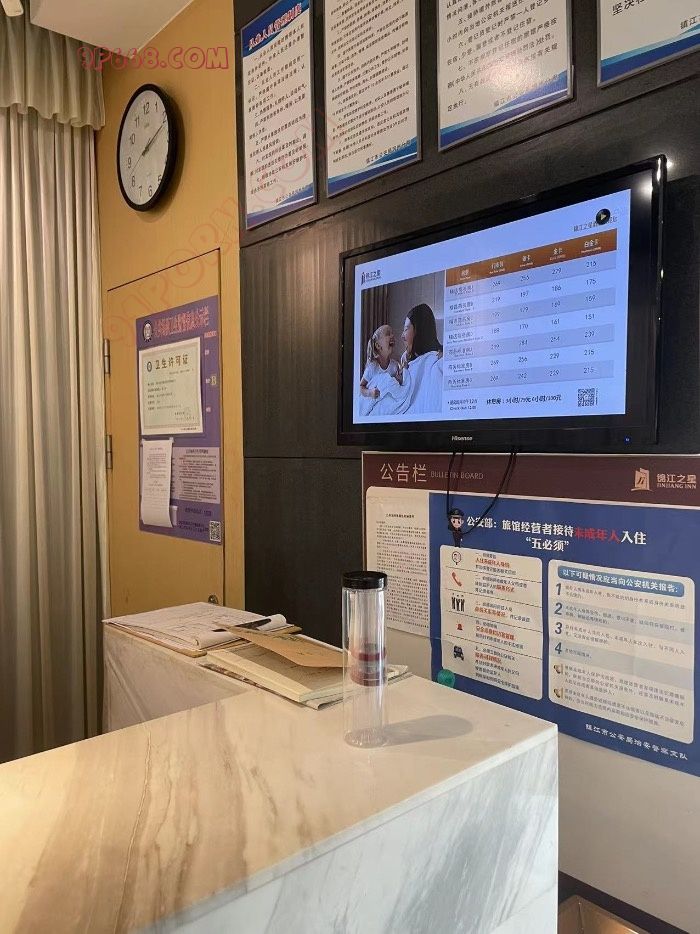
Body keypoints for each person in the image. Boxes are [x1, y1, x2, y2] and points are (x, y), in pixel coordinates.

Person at [360, 325, 402, 400]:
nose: (392, 335)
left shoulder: (395, 366)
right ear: (378, 345)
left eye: (392, 333)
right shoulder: (372, 367)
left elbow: (395, 386)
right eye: (388, 334)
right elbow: (361, 387)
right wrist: (370, 392)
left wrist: (398, 380)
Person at [400, 303, 443, 370]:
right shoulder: (407, 361)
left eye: (406, 329)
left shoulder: (439, 362)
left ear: (419, 331)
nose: (402, 336)